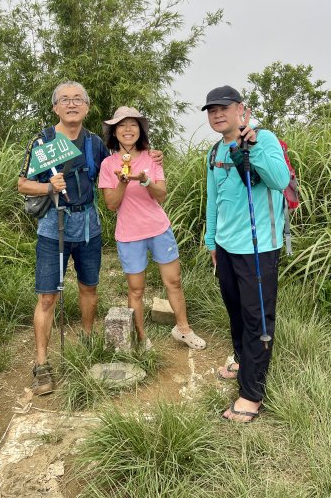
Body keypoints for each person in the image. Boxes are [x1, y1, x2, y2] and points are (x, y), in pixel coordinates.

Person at [18, 83, 162, 395]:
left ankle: (85, 341)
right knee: (47, 297)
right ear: (55, 107)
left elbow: (121, 161)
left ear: (87, 106)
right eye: (65, 100)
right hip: (51, 227)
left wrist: (150, 156)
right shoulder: (43, 141)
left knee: (89, 288)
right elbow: (22, 183)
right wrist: (48, 187)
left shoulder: (95, 143)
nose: (72, 104)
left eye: (78, 99)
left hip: (88, 226)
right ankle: (41, 365)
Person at [203, 85, 289, 422]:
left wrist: (251, 145)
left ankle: (251, 394)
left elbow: (279, 180)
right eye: (212, 110)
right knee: (235, 310)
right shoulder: (213, 152)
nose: (217, 114)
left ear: (242, 110)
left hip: (258, 247)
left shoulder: (263, 139)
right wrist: (211, 241)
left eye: (223, 108)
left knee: (257, 318)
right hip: (225, 247)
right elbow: (213, 198)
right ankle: (242, 358)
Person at [98, 106, 206, 351]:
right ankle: (140, 338)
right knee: (136, 289)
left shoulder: (152, 158)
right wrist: (123, 182)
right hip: (129, 234)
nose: (128, 129)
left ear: (140, 130)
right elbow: (112, 204)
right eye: (122, 125)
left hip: (158, 228)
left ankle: (183, 329)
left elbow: (162, 195)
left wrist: (145, 180)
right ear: (114, 132)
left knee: (174, 281)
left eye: (133, 125)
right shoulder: (108, 164)